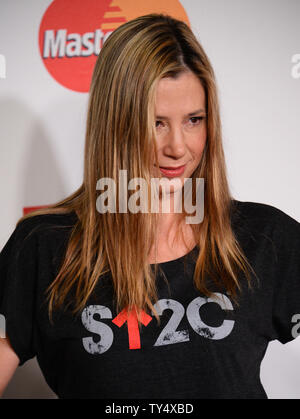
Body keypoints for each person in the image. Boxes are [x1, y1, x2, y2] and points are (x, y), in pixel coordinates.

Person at [0, 13, 299, 400]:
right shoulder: (44, 247)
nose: (177, 147)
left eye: (194, 120)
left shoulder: (264, 238)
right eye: (156, 123)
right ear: (115, 125)